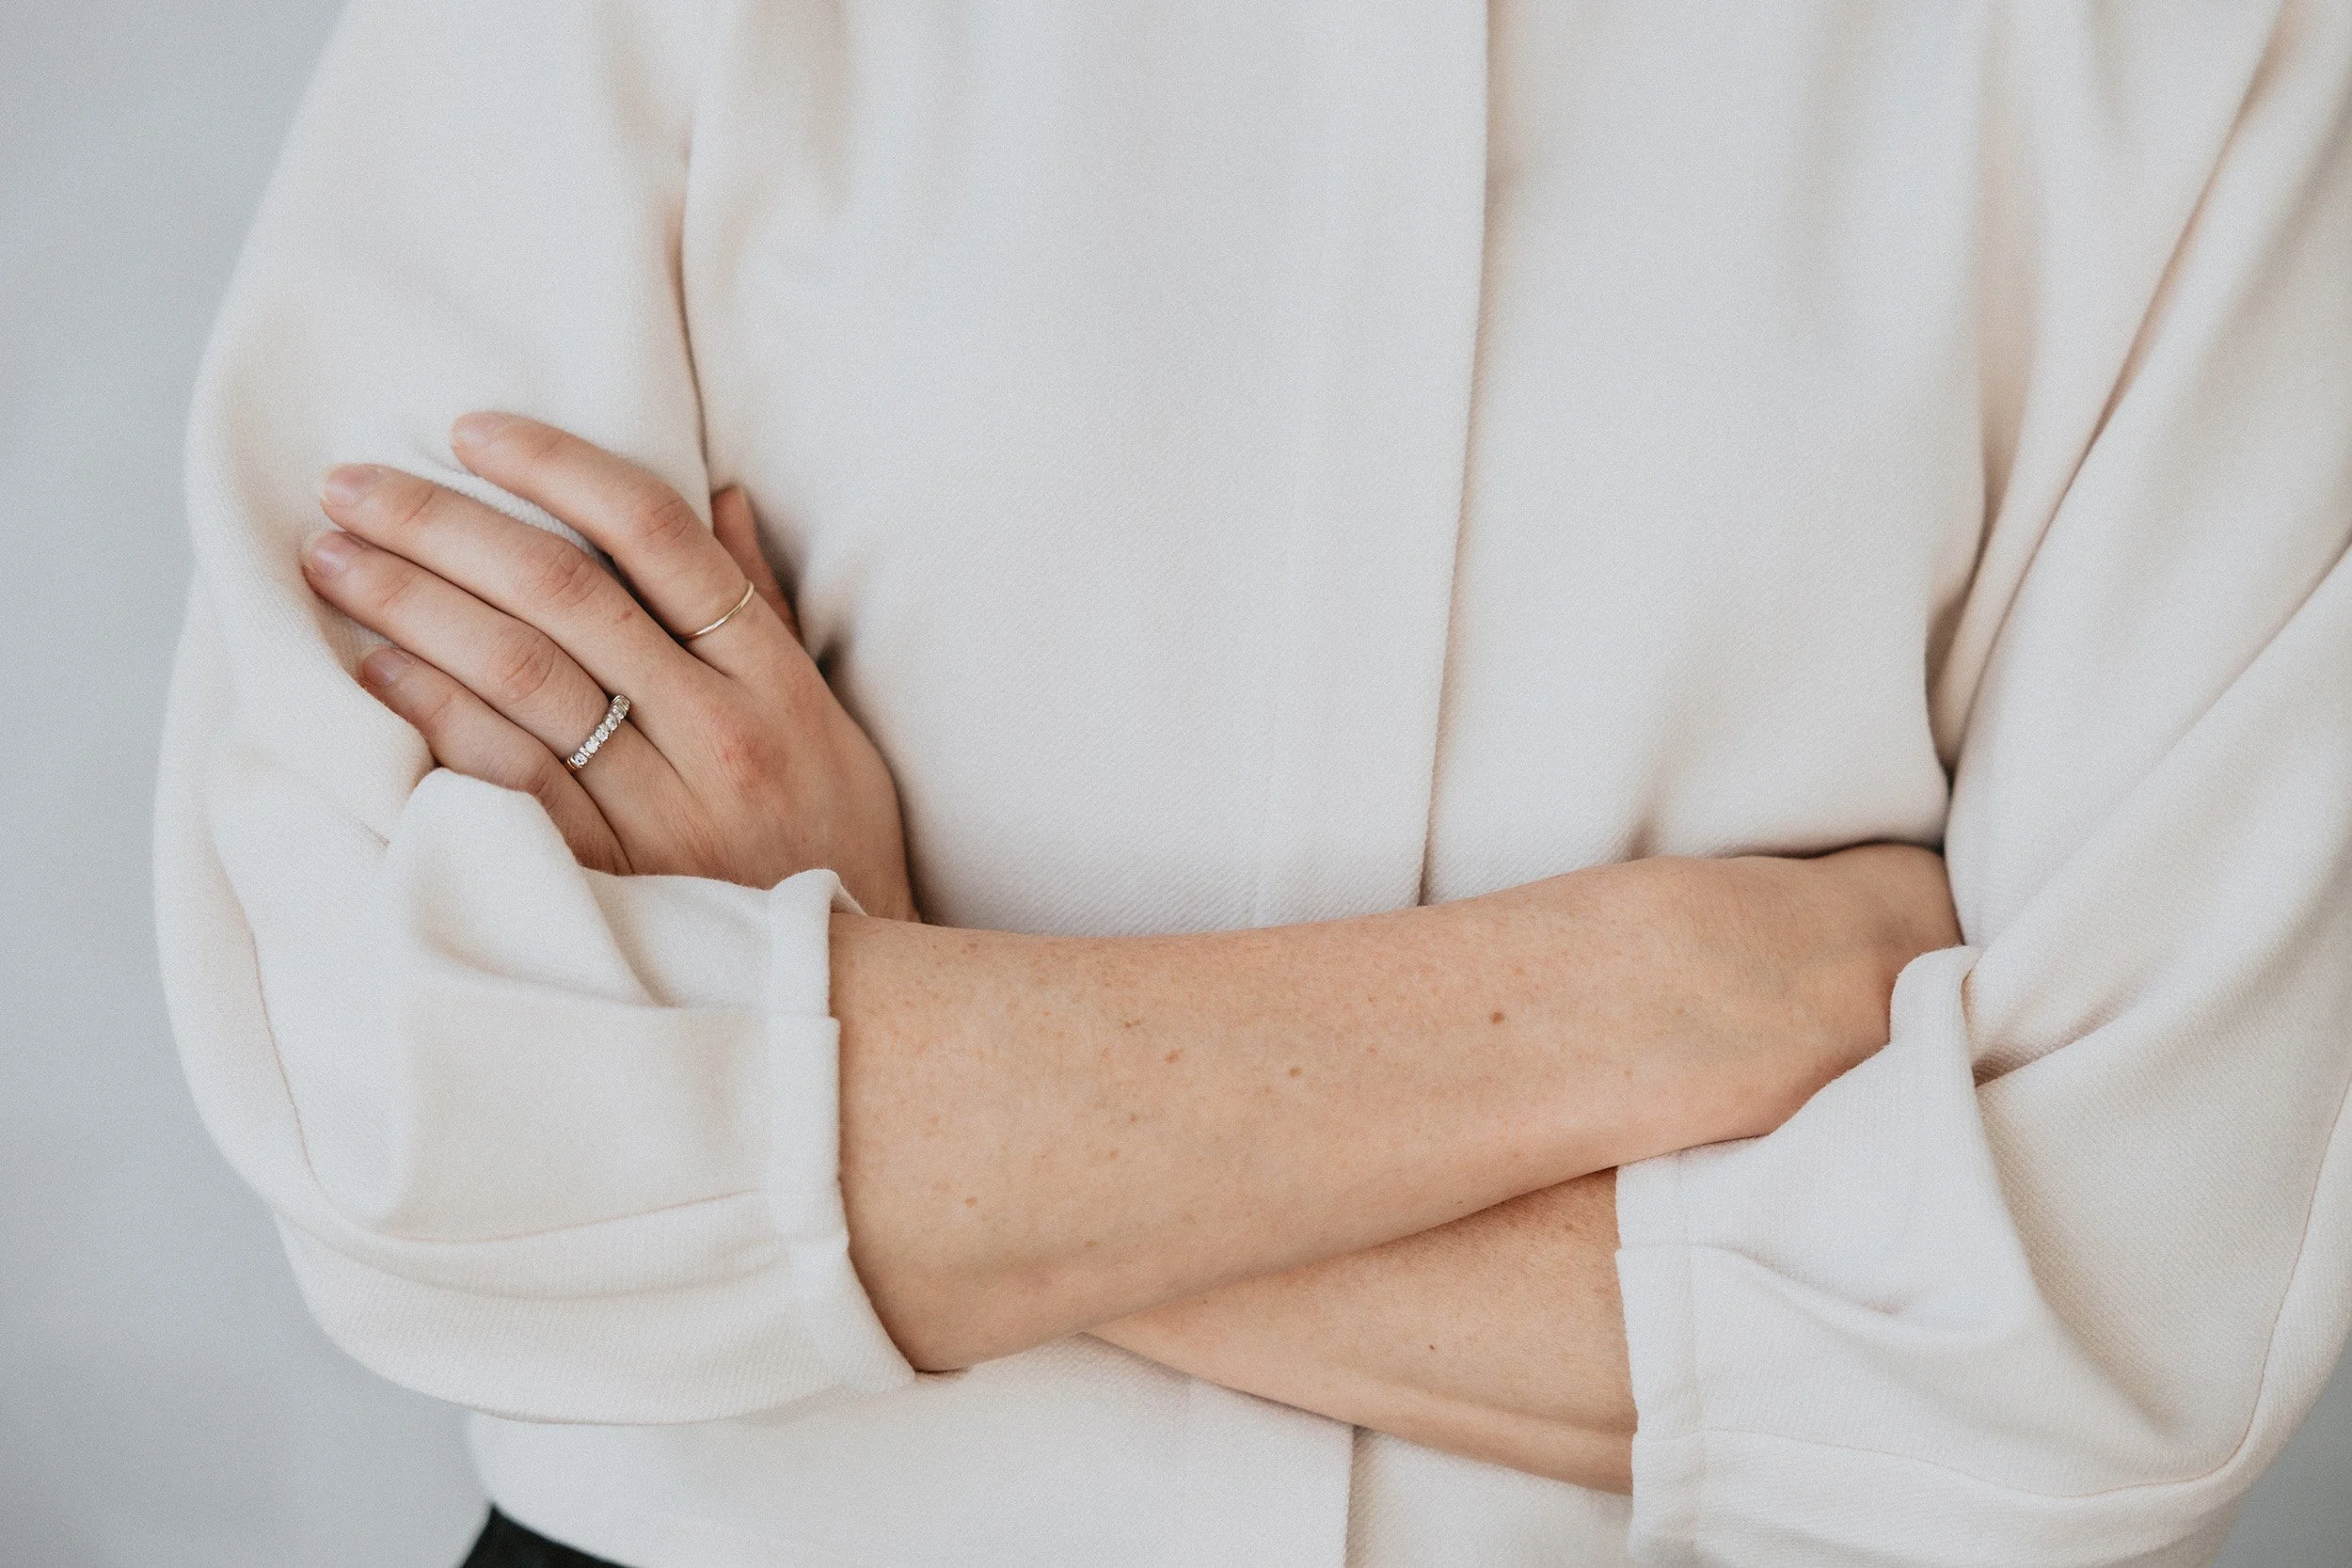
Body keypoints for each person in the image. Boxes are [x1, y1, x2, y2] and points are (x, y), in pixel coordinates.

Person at [155, 3, 2352, 1565]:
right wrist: (1645, 997)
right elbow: (404, 1090)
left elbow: (2102, 1348)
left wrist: (845, 1021)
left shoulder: (2198, 55)